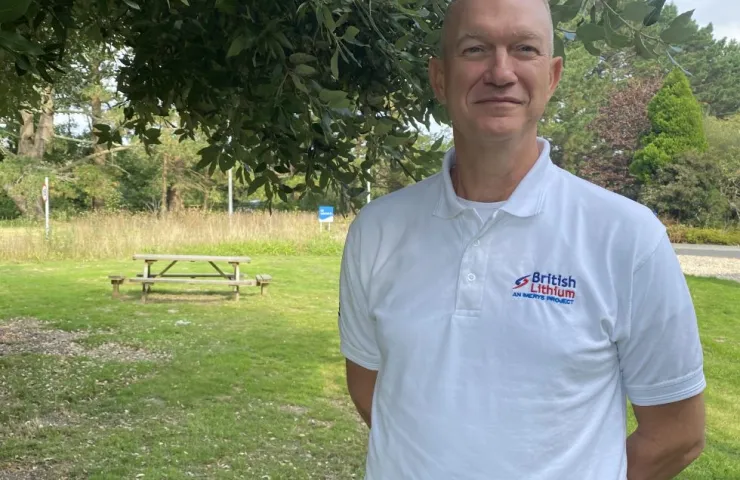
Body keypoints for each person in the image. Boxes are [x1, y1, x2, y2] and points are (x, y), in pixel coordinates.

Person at [337, 0, 707, 478]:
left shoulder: (628, 237)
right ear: (440, 77)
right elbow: (372, 390)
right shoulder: (377, 229)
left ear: (552, 77)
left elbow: (676, 435)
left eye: (524, 49)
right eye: (474, 49)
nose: (500, 71)